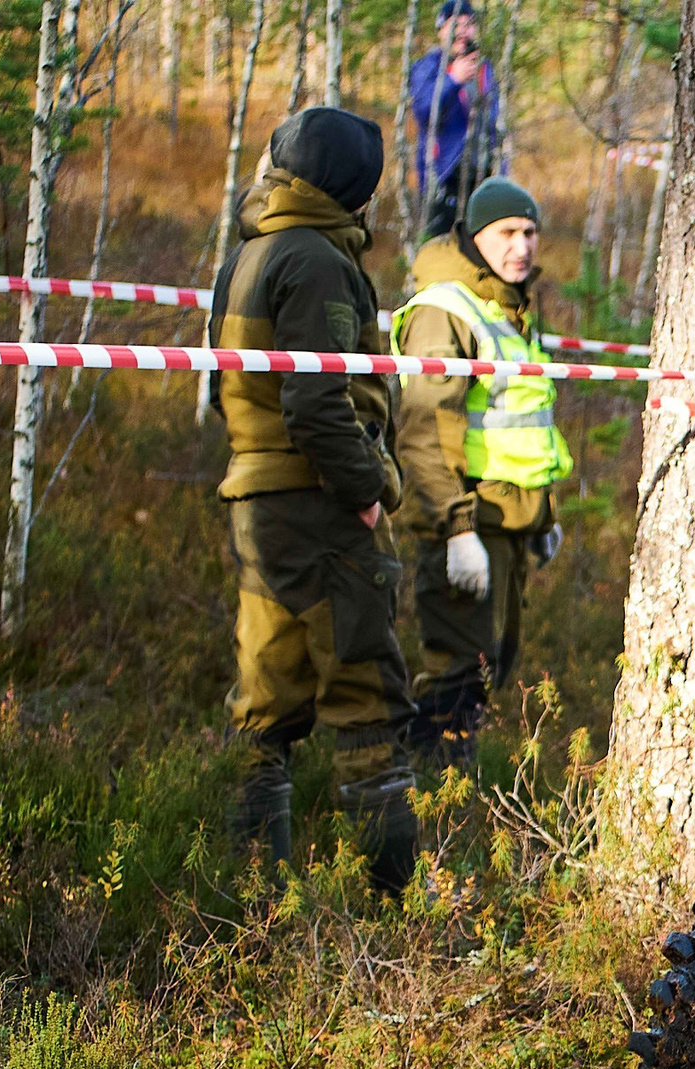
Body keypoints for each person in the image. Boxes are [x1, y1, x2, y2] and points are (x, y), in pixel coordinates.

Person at [211, 106, 416, 895]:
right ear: (352, 188)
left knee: (268, 697)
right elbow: (316, 401)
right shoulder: (319, 261)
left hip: (260, 502)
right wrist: (365, 492)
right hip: (320, 504)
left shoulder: (253, 252)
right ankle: (395, 910)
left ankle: (254, 900)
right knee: (366, 694)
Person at [388, 175, 573, 763]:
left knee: (487, 670)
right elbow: (425, 431)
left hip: (512, 519)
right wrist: (457, 528)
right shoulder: (446, 309)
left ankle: (447, 807)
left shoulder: (508, 311)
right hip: (469, 519)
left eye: (529, 232)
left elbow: (525, 424)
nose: (521, 246)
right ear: (474, 235)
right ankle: (429, 812)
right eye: (506, 233)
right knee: (454, 678)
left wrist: (544, 513)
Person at [407, 0, 499, 239]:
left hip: (481, 175)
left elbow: (494, 124)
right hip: (442, 175)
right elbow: (424, 113)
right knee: (437, 247)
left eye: (468, 24)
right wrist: (453, 80)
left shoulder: (485, 68)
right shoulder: (427, 67)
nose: (462, 31)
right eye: (454, 25)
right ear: (441, 31)